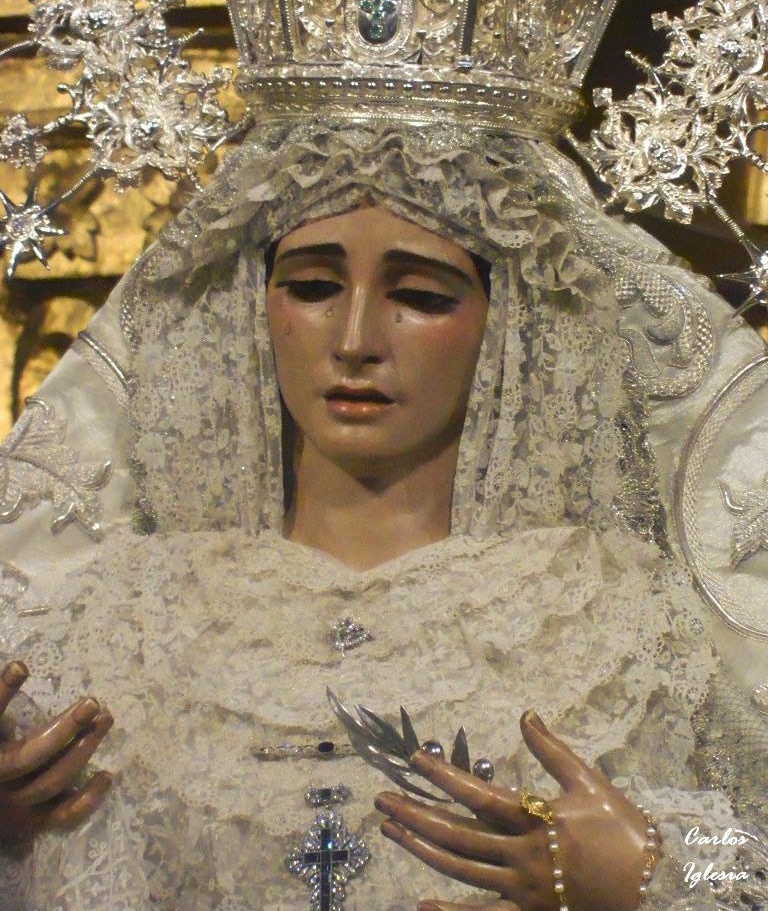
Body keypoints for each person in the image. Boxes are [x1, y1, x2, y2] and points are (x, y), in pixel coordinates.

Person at [0, 122, 767, 911]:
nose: (356, 340)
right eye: (312, 287)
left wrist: (648, 874)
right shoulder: (118, 619)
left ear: (511, 325)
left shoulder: (616, 620)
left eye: (421, 297)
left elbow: (746, 860)